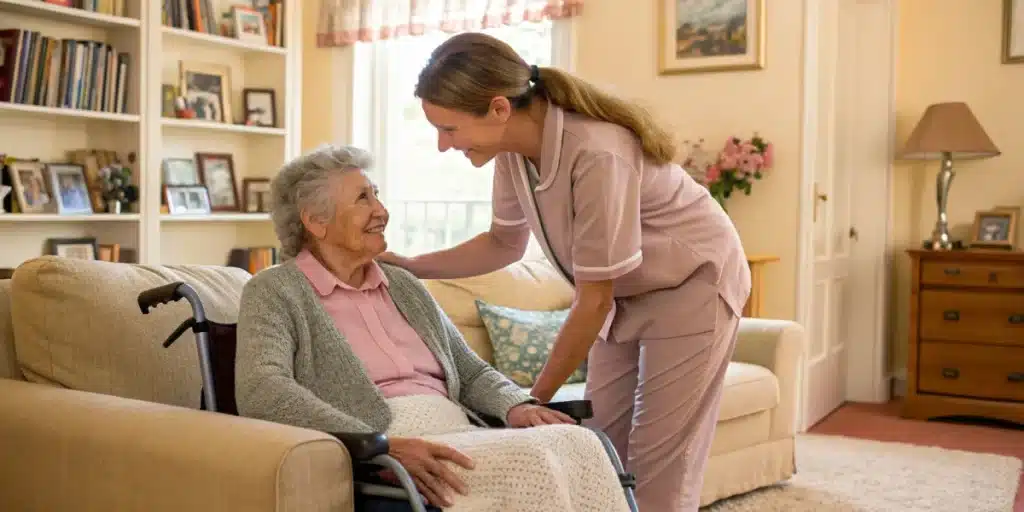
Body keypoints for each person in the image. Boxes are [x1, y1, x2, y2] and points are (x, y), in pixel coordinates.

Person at [378, 32, 752, 511]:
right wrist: (411, 266)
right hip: (624, 295)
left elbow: (592, 299)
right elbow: (502, 243)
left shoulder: (597, 151)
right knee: (598, 446)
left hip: (693, 285)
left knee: (660, 462)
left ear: (497, 108)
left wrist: (530, 401)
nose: (442, 145)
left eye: (449, 129)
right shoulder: (512, 150)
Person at [234, 144, 632, 512]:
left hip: (457, 428)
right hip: (384, 441)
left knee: (580, 442)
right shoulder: (274, 290)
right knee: (531, 460)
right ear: (316, 222)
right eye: (362, 199)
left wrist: (517, 405)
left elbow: (469, 369)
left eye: (377, 195)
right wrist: (377, 444)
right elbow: (262, 391)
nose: (381, 210)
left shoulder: (402, 284)